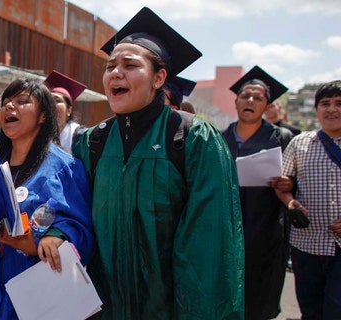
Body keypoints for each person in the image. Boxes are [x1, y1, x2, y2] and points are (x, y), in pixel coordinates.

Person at [72, 7, 244, 319]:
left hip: (169, 309)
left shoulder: (193, 139)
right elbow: (77, 220)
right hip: (106, 307)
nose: (115, 73)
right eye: (109, 66)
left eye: (130, 65)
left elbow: (208, 247)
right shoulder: (92, 142)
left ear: (159, 78)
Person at [0, 78, 96, 320]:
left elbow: (80, 225)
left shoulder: (63, 168)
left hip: (33, 292)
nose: (9, 107)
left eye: (22, 102)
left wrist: (52, 239)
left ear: (43, 116)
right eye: (5, 102)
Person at [221, 65, 295, 320]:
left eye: (258, 98)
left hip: (266, 231)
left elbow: (296, 182)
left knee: (259, 300)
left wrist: (289, 184)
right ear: (236, 101)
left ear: (267, 105)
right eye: (245, 96)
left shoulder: (281, 137)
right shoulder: (220, 138)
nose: (250, 101)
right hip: (226, 231)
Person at [275, 80, 341, 320]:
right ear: (317, 110)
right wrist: (290, 201)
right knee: (310, 310)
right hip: (306, 244)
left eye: (339, 103)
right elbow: (283, 186)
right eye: (325, 104)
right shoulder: (299, 143)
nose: (331, 109)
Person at [43, 70, 87, 153]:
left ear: (69, 110)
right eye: (48, 100)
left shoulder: (80, 137)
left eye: (57, 100)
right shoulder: (37, 135)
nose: (51, 104)